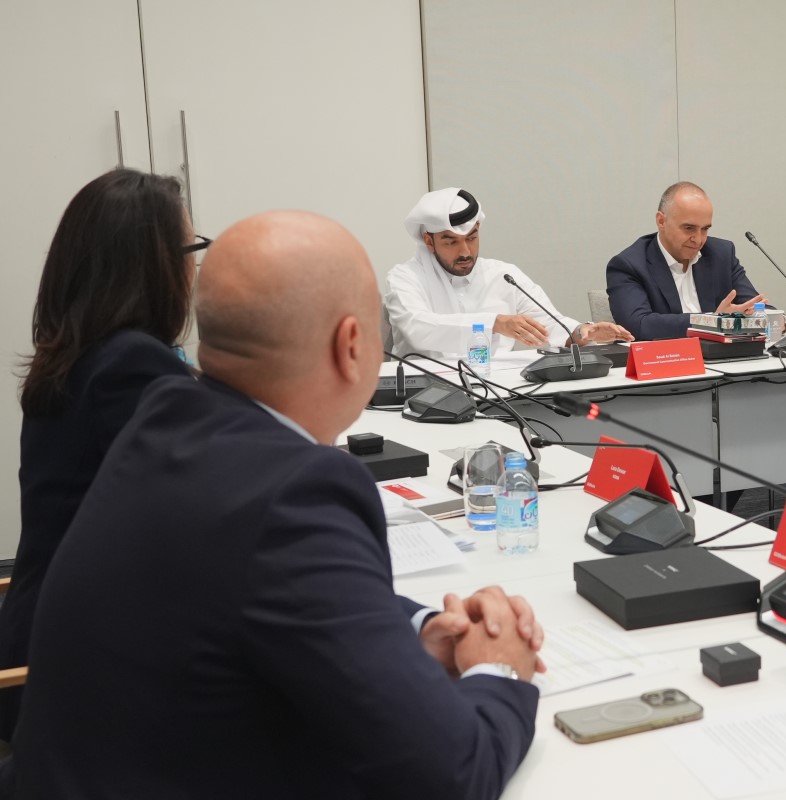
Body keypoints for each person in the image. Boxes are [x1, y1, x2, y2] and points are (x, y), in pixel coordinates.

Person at [9, 211, 543, 798]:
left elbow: (265, 588)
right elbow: (452, 775)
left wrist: (416, 629)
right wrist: (499, 667)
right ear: (351, 345)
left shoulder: (166, 419)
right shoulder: (299, 493)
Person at [0, 169, 198, 741]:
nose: (195, 270)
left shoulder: (79, 352)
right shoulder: (131, 364)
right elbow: (195, 510)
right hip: (74, 671)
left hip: (42, 634)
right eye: (190, 251)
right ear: (155, 264)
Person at [386, 187, 631, 359]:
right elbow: (418, 328)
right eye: (451, 242)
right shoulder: (405, 278)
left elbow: (546, 324)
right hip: (425, 394)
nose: (465, 251)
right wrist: (494, 323)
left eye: (471, 238)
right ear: (429, 241)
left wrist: (580, 332)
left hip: (500, 390)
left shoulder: (503, 275)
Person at [606, 181, 766, 340]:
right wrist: (713, 321)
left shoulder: (721, 254)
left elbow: (756, 307)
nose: (698, 239)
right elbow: (638, 326)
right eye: (689, 228)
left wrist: (766, 317)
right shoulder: (628, 265)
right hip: (669, 354)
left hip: (723, 354)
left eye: (705, 229)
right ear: (661, 221)